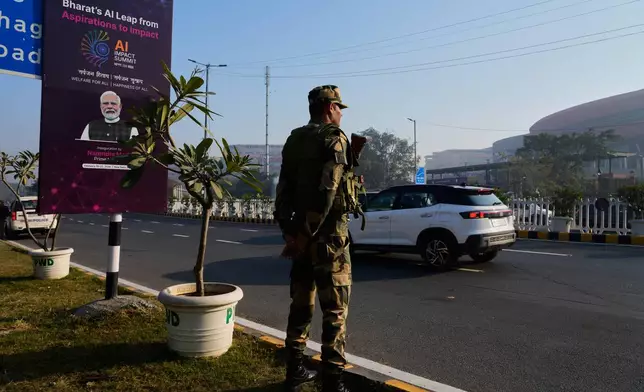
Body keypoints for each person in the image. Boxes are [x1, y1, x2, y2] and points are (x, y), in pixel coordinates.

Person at [274, 85, 368, 391]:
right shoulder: (334, 137)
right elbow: (327, 193)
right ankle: (333, 381)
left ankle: (295, 370)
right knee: (335, 313)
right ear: (329, 107)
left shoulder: (294, 138)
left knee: (301, 306)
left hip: (300, 240)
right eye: (340, 107)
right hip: (329, 240)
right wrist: (303, 236)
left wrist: (290, 233)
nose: (341, 113)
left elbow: (283, 188)